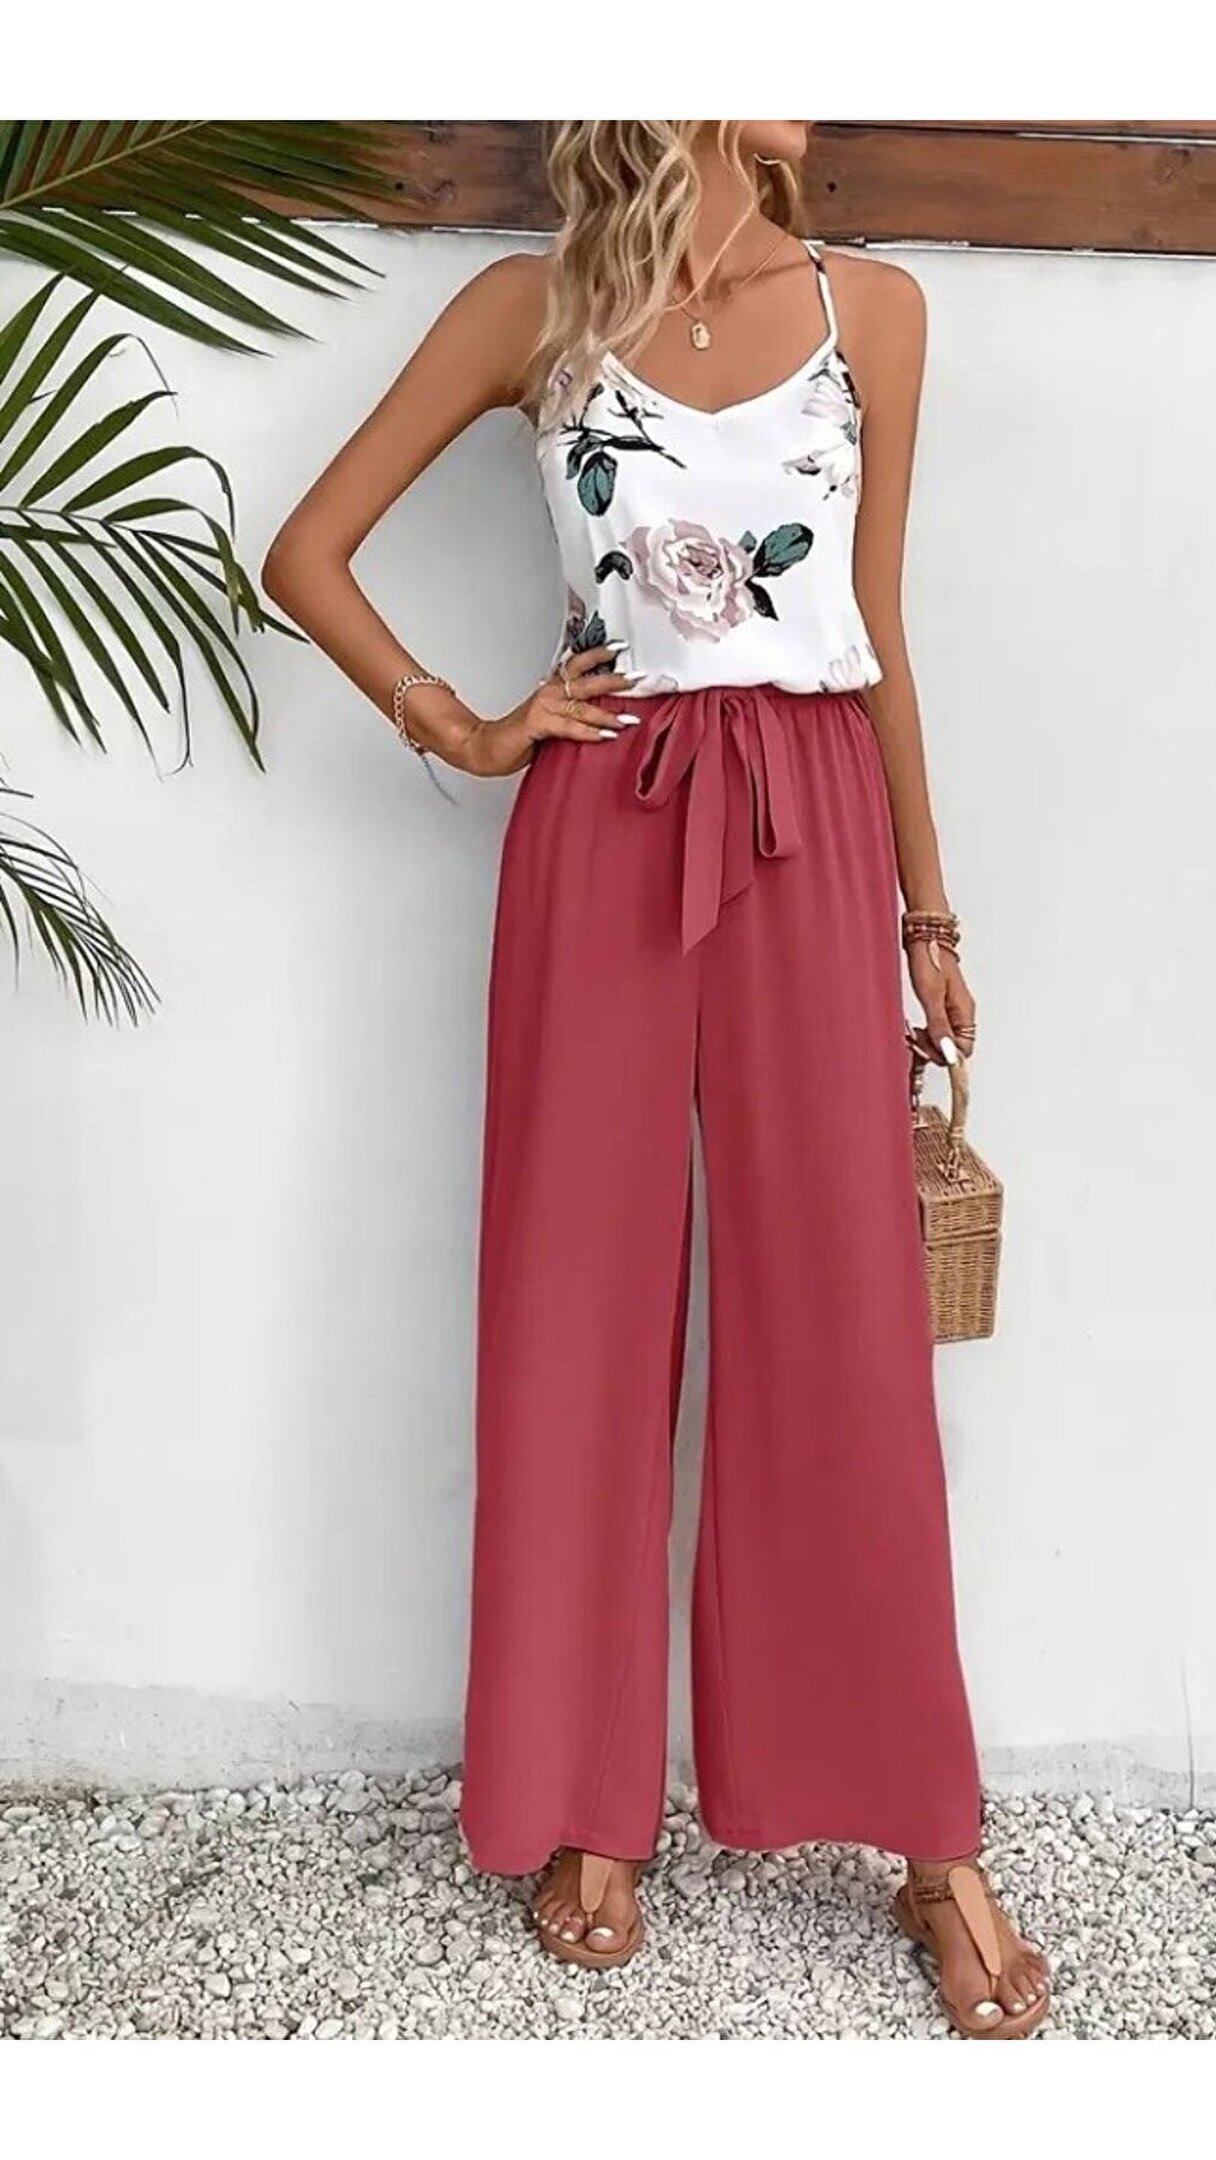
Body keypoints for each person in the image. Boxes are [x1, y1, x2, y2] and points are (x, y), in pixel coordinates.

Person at [263, 119, 1049, 2040]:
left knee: (843, 1328)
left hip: (810, 822)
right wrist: (465, 727)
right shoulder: (528, 311)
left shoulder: (875, 312)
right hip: (603, 821)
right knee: (577, 1318)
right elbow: (305, 553)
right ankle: (588, 1800)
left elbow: (874, 631)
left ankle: (929, 1835)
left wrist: (928, 914)